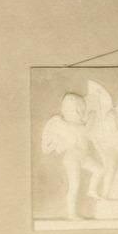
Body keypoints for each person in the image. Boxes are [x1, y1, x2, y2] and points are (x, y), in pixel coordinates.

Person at [40, 92, 94, 220]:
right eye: (77, 111)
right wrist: (93, 116)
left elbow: (86, 130)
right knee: (74, 186)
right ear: (67, 111)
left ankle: (92, 190)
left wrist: (92, 116)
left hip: (82, 157)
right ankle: (71, 213)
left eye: (81, 111)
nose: (79, 114)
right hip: (72, 158)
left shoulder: (79, 125)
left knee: (100, 170)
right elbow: (86, 129)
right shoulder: (68, 126)